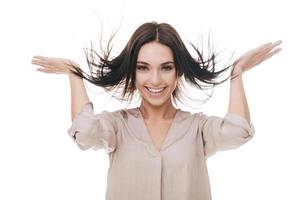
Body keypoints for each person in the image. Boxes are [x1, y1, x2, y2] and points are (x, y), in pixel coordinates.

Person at [31, 21, 281, 200]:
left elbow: (237, 132)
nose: (155, 80)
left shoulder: (198, 129)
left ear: (178, 72)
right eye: (143, 68)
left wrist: (236, 74)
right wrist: (75, 75)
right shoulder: (117, 126)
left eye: (165, 67)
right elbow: (84, 133)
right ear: (133, 72)